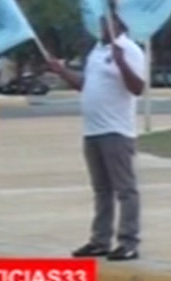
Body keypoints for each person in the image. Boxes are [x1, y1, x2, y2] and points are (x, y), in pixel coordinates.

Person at [47, 13, 147, 261]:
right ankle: (100, 239)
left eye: (108, 22)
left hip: (116, 130)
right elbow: (86, 85)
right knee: (101, 189)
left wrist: (122, 62)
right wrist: (62, 72)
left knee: (125, 189)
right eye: (101, 22)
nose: (102, 26)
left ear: (121, 24)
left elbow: (137, 88)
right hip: (93, 130)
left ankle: (128, 241)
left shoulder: (129, 49)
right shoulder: (96, 51)